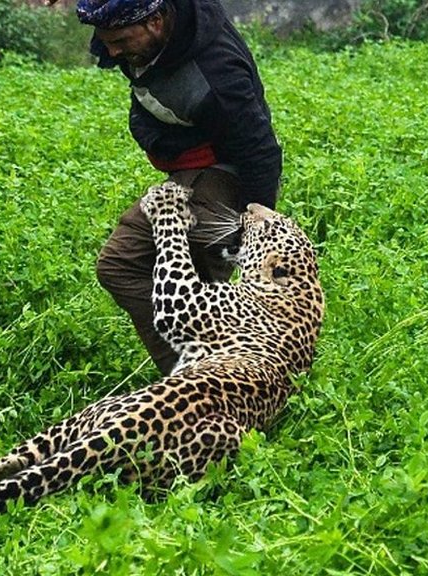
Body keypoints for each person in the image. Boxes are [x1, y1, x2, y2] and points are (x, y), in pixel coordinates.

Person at [70, 0, 283, 375]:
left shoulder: (217, 75)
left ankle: (210, 383)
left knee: (145, 267)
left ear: (155, 21)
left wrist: (257, 228)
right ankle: (206, 375)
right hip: (189, 161)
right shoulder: (146, 26)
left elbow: (259, 148)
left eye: (119, 40)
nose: (111, 51)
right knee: (125, 269)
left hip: (225, 172)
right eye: (106, 41)